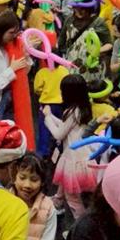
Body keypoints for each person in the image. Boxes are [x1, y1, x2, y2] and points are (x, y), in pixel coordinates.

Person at [43, 73, 97, 220]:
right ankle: (58, 200)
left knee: (73, 199)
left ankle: (80, 225)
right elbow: (67, 127)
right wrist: (51, 117)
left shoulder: (72, 111)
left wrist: (47, 117)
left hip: (74, 158)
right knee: (67, 184)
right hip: (83, 155)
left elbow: (59, 134)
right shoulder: (83, 108)